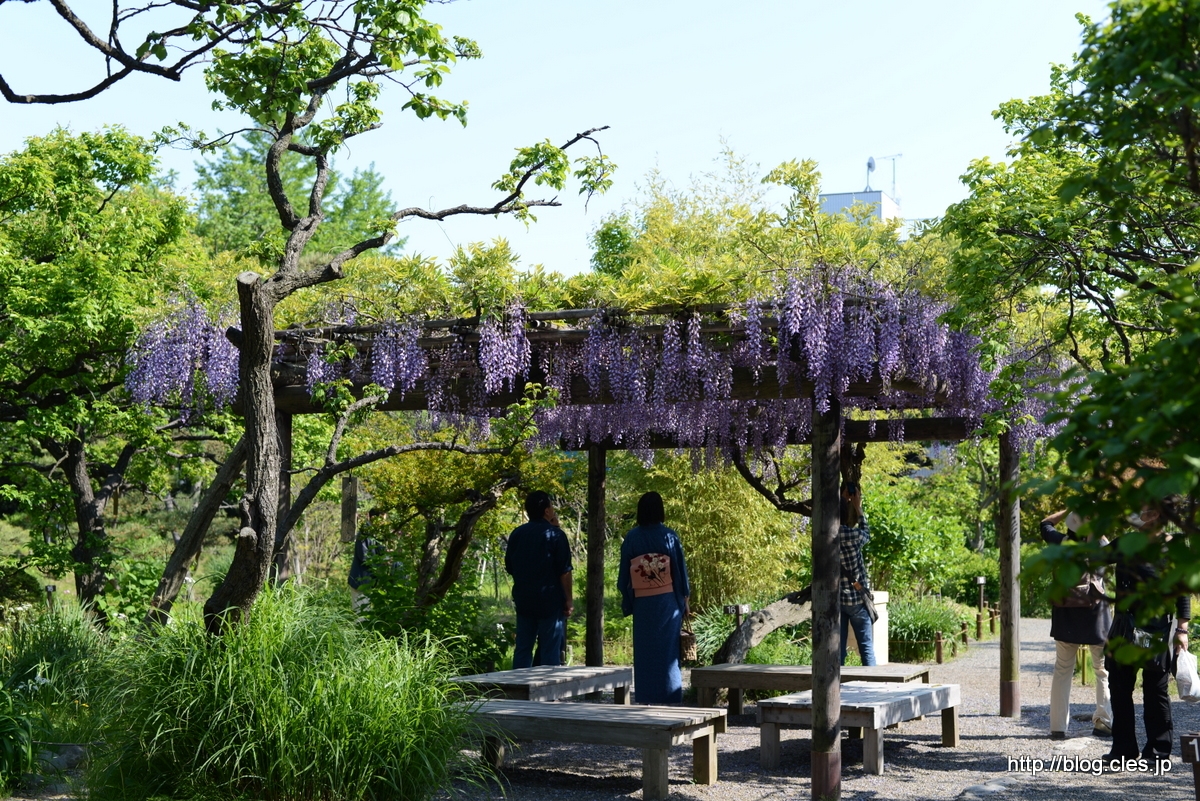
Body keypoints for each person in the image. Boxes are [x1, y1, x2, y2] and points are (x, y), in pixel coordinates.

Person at [1102, 506, 1190, 763]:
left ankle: (1158, 751)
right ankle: (1123, 749)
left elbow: (1182, 590)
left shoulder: (1174, 548)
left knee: (1155, 690)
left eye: (1147, 508)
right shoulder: (1127, 542)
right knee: (1119, 687)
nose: (1141, 512)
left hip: (1154, 628)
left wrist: (1182, 630)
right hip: (1123, 625)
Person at [1039, 509, 1112, 740]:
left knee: (1062, 671)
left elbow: (1045, 524)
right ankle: (1103, 722)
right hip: (1095, 616)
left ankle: (1058, 727)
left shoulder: (1061, 542)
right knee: (1101, 670)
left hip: (1065, 613)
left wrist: (1069, 510)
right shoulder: (1101, 546)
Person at [617, 491, 691, 704]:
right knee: (668, 652)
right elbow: (679, 572)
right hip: (667, 601)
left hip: (643, 602)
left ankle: (646, 696)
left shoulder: (632, 537)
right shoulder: (669, 536)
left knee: (645, 651)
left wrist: (630, 598)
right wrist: (684, 599)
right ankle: (671, 696)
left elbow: (625, 576)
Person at [505, 491, 574, 669]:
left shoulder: (517, 534)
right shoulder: (556, 536)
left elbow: (510, 567)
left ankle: (519, 690)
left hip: (524, 598)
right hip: (550, 600)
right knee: (550, 650)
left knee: (522, 648)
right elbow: (564, 571)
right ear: (546, 511)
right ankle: (548, 693)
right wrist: (568, 599)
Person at [838, 481, 876, 666]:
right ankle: (874, 689)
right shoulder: (852, 536)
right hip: (857, 600)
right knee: (866, 648)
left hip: (838, 600)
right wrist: (857, 507)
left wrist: (841, 501)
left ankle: (836, 689)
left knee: (838, 650)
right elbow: (866, 533)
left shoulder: (822, 537)